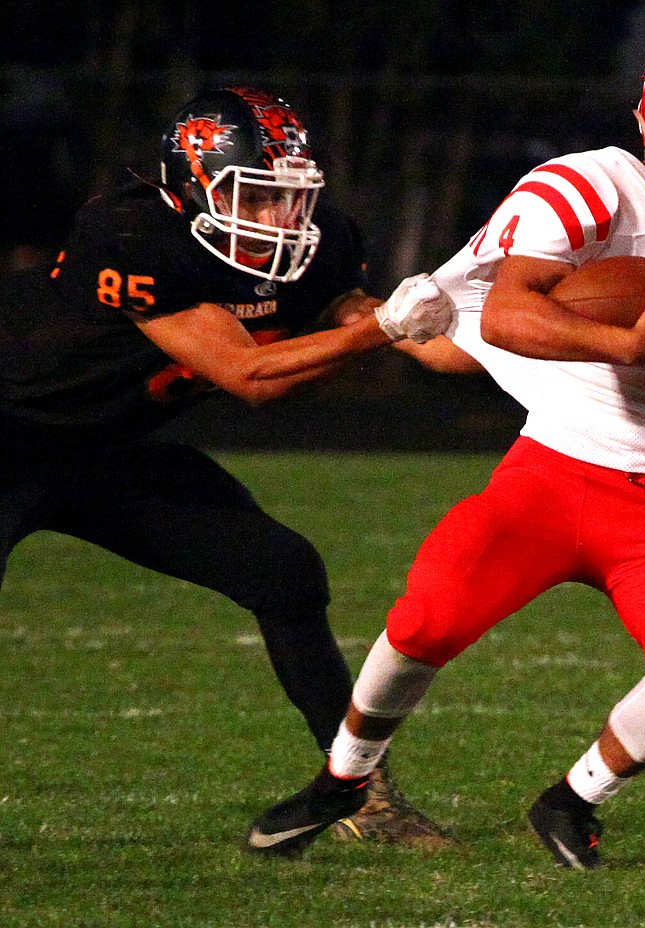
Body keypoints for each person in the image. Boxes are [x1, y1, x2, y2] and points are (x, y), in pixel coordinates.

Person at [246, 14, 645, 865]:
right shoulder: (593, 188)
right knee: (427, 617)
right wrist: (624, 346)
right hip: (552, 475)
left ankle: (572, 799)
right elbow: (512, 311)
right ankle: (344, 777)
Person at [0, 86, 470, 846]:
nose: (283, 220)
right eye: (258, 198)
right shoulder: (130, 231)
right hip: (10, 440)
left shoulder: (320, 244)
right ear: (189, 188)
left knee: (283, 571)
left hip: (105, 454)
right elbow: (248, 374)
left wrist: (504, 337)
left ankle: (361, 794)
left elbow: (361, 348)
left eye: (291, 198)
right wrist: (382, 328)